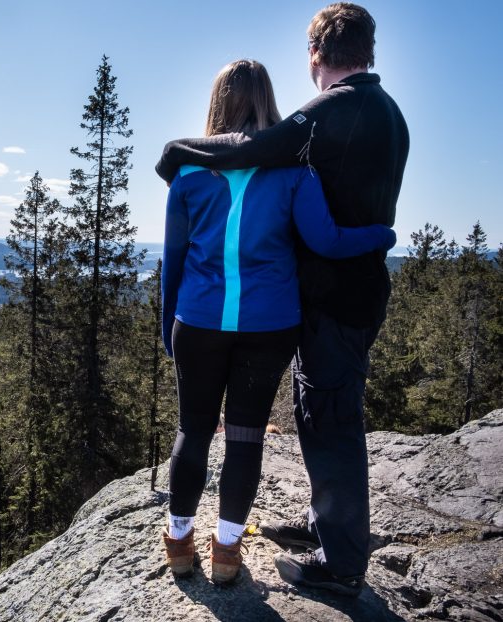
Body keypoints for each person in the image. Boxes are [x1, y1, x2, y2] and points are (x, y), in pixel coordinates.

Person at [156, 3, 409, 596]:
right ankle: (239, 548)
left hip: (241, 315)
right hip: (290, 316)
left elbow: (178, 252)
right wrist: (381, 237)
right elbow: (318, 230)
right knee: (260, 431)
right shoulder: (374, 125)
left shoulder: (313, 120)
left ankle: (192, 543)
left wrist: (178, 153)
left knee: (214, 430)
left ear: (315, 55)